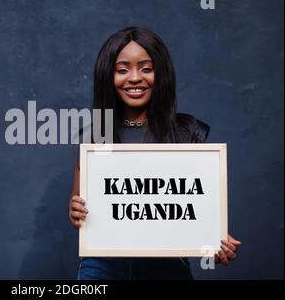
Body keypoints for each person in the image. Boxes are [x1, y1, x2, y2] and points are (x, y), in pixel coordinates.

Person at [69, 27, 242, 280]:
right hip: (102, 267)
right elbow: (78, 202)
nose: (135, 78)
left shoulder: (187, 131)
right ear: (108, 76)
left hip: (167, 268)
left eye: (146, 69)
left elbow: (200, 205)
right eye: (123, 69)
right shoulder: (94, 137)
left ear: (160, 75)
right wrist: (75, 211)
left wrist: (215, 236)